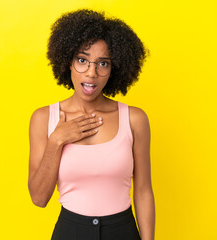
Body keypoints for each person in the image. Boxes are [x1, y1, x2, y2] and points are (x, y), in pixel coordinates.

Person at [28, 9, 155, 240]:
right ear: (68, 61)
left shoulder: (134, 119)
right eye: (82, 60)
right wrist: (57, 140)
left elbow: (144, 191)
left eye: (103, 63)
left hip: (123, 231)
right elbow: (38, 198)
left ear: (114, 68)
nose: (91, 72)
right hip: (70, 231)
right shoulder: (44, 118)